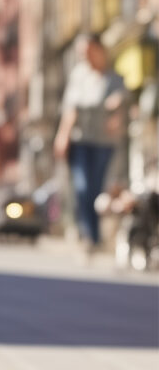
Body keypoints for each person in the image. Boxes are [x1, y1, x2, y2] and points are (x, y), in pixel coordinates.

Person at [54, 34, 127, 256]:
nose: (84, 55)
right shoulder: (79, 75)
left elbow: (121, 104)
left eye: (87, 50)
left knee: (98, 189)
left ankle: (97, 236)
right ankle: (90, 236)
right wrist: (62, 136)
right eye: (80, 52)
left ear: (99, 49)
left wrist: (117, 114)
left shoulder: (114, 78)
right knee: (83, 187)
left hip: (105, 142)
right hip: (81, 141)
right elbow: (70, 108)